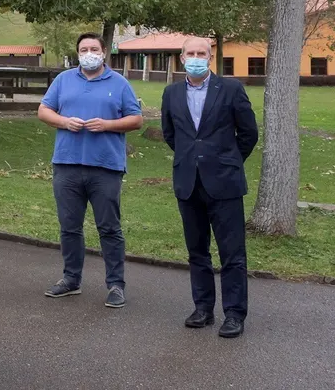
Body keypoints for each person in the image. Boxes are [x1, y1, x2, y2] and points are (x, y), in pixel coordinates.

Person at [161, 37, 258, 338]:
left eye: (201, 53)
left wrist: (227, 161)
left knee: (232, 253)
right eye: (190, 53)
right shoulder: (171, 93)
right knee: (197, 251)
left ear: (210, 57)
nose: (196, 57)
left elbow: (249, 133)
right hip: (188, 183)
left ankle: (234, 314)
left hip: (225, 183)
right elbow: (170, 134)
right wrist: (194, 160)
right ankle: (203, 308)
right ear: (181, 58)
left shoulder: (231, 89)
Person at [37, 32, 142, 308]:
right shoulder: (64, 80)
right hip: (67, 164)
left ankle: (116, 285)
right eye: (84, 49)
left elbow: (136, 119)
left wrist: (107, 125)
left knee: (109, 228)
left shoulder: (119, 83)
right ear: (78, 53)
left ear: (104, 51)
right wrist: (63, 121)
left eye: (94, 48)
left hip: (105, 167)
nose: (89, 53)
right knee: (69, 227)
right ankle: (71, 280)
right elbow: (43, 111)